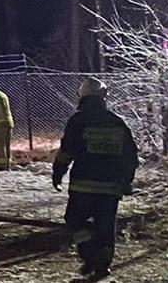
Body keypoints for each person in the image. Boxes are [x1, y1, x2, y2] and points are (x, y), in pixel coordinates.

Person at [52, 77, 138, 280]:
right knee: (105, 226)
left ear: (82, 96)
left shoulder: (78, 121)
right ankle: (103, 263)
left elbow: (67, 150)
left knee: (75, 221)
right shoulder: (117, 122)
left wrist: (58, 173)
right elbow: (131, 156)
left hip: (83, 185)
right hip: (111, 188)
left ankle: (90, 252)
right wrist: (126, 181)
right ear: (103, 97)